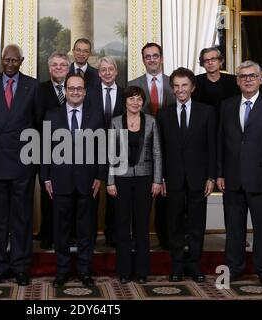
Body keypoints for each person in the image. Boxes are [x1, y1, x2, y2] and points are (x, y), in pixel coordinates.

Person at [217, 60, 262, 290]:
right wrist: (219, 173)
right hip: (232, 179)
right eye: (243, 76)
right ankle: (235, 269)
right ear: (237, 81)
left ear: (260, 79)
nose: (247, 79)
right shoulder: (227, 106)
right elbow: (221, 142)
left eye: (252, 76)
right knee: (234, 231)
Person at [0, 44, 42, 286]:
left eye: (14, 60)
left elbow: (37, 123)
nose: (10, 63)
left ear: (21, 61)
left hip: (22, 162)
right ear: (1, 60)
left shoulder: (33, 86)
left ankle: (20, 266)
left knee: (22, 217)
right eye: (6, 59)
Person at [41, 74, 105, 288]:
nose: (75, 92)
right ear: (65, 91)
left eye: (79, 88)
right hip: (60, 181)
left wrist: (99, 176)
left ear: (85, 92)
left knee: (86, 229)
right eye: (71, 88)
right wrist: (46, 177)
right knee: (61, 231)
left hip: (88, 181)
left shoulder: (96, 116)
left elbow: (102, 149)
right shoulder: (51, 115)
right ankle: (62, 271)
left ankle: (85, 271)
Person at [157, 67, 216, 283]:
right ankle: (177, 266)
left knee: (197, 225)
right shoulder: (163, 114)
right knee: (174, 224)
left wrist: (211, 177)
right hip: (171, 178)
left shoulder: (207, 112)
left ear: (192, 87)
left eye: (184, 85)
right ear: (172, 89)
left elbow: (212, 147)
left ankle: (194, 265)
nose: (180, 90)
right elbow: (159, 149)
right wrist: (160, 177)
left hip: (199, 178)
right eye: (176, 86)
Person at [107, 86, 162, 284]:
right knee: (122, 226)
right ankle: (123, 271)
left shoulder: (151, 122)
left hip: (145, 179)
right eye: (131, 99)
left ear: (143, 102)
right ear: (125, 102)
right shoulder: (115, 122)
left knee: (141, 226)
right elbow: (111, 153)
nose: (135, 102)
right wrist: (111, 181)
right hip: (121, 179)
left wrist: (157, 180)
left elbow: (156, 152)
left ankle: (141, 272)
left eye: (139, 99)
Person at [128, 42, 176, 250]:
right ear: (143, 60)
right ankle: (140, 239)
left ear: (162, 58)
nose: (152, 59)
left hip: (170, 145)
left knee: (168, 194)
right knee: (142, 196)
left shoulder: (174, 83)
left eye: (155, 56)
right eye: (148, 56)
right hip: (143, 148)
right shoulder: (133, 84)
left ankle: (166, 238)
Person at [88, 56, 124, 247]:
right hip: (93, 150)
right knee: (91, 195)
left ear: (116, 71)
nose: (107, 73)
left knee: (115, 195)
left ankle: (113, 235)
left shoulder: (125, 94)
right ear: (99, 73)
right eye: (103, 70)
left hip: (118, 151)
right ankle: (90, 236)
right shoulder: (89, 93)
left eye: (111, 69)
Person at [37, 52, 70, 250]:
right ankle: (47, 234)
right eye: (55, 65)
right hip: (48, 150)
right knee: (48, 194)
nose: (59, 68)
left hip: (74, 152)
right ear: (49, 68)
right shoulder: (39, 90)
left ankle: (68, 235)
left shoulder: (77, 88)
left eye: (63, 65)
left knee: (70, 196)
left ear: (68, 68)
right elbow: (37, 119)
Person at [192, 46, 239, 121]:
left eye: (213, 59)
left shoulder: (233, 81)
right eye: (206, 60)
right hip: (203, 122)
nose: (210, 63)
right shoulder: (195, 81)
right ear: (203, 64)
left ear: (220, 61)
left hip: (228, 122)